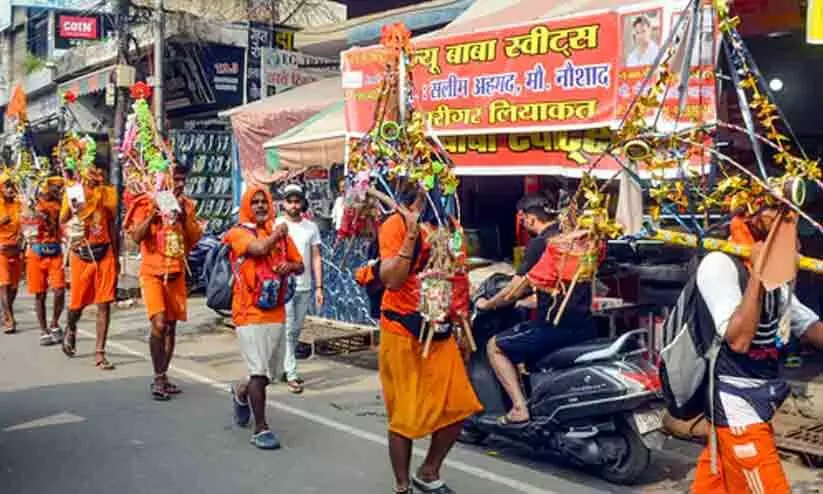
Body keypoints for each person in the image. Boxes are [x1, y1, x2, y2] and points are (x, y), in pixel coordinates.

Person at [691, 207, 823, 493]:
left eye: (789, 215)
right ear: (749, 211)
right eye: (775, 211)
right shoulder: (720, 264)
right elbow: (738, 339)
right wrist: (757, 276)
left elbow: (807, 323)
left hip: (760, 399)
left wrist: (769, 270)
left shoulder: (773, 272)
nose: (785, 221)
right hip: (736, 405)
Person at [378, 181, 482, 494]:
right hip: (402, 330)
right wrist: (411, 234)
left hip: (441, 330)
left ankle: (429, 470)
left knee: (460, 406)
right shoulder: (395, 224)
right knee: (405, 415)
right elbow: (392, 280)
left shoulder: (451, 226)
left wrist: (463, 323)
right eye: (433, 183)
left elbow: (459, 276)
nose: (442, 189)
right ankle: (401, 486)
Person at [476, 194, 599, 425]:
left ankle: (520, 408)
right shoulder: (582, 246)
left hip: (555, 327)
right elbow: (555, 288)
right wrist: (529, 300)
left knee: (495, 346)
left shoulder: (548, 246)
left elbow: (515, 289)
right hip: (585, 324)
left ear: (531, 219)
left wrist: (488, 304)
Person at [226, 186, 303, 450]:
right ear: (248, 205)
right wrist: (277, 234)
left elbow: (300, 264)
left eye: (264, 201)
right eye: (255, 202)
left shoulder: (279, 234)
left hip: (276, 310)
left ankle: (241, 392)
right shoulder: (238, 233)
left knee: (268, 373)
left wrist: (289, 266)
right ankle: (261, 428)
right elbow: (258, 249)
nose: (260, 206)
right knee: (259, 372)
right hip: (248, 312)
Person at [126, 167, 202, 401]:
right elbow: (136, 237)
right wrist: (153, 215)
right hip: (152, 274)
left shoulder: (186, 206)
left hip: (176, 274)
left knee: (170, 326)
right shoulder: (146, 203)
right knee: (158, 324)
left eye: (182, 180)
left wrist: (184, 218)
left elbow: (195, 238)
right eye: (175, 180)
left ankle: (163, 375)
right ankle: (158, 376)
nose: (179, 184)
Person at [60, 167, 118, 370]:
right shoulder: (74, 192)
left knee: (104, 303)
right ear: (84, 175)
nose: (96, 177)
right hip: (81, 253)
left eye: (99, 174)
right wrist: (74, 208)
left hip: (105, 253)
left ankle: (100, 352)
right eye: (92, 174)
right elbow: (62, 220)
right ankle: (71, 326)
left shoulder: (107, 194)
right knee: (77, 304)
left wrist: (116, 256)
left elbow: (112, 224)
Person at [276, 184, 323, 394]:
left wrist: (319, 286)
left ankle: (283, 366)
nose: (293, 205)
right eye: (290, 201)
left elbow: (316, 257)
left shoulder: (311, 227)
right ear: (283, 203)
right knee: (286, 330)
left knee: (295, 330)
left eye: (297, 201)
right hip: (283, 285)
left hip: (304, 285)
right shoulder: (276, 225)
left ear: (302, 202)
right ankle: (291, 373)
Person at [27, 177, 66, 346]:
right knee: (40, 293)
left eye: (60, 188)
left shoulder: (61, 204)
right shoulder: (33, 203)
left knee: (59, 290)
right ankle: (43, 330)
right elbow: (26, 226)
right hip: (37, 252)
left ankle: (55, 323)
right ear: (47, 187)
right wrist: (33, 215)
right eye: (56, 188)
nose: (58, 190)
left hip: (55, 251)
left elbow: (64, 224)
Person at [0, 174, 22, 335]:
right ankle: (9, 318)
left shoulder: (19, 205)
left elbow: (28, 222)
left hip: (16, 249)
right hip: (1, 250)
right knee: (4, 284)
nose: (10, 190)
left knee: (13, 287)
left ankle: (7, 312)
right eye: (6, 187)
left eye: (11, 187)